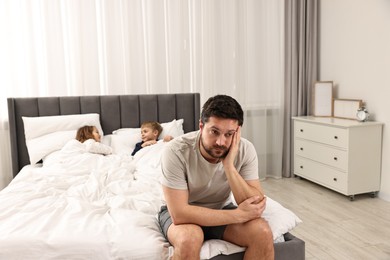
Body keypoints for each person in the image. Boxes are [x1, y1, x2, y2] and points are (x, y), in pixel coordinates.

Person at [158, 95, 274, 260]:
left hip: (220, 209)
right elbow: (179, 213)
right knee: (189, 239)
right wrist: (238, 215)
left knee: (262, 232)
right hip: (180, 214)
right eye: (214, 132)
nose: (221, 141)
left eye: (229, 134)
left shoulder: (245, 150)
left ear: (237, 133)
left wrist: (229, 167)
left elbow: (255, 205)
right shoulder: (176, 151)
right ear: (201, 126)